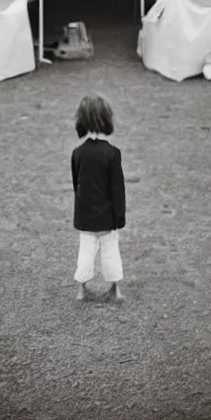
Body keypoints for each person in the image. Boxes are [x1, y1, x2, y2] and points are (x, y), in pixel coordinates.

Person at [71, 95, 126, 301]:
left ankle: (81, 289)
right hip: (107, 217)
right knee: (111, 251)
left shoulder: (78, 153)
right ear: (106, 119)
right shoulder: (112, 153)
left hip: (86, 216)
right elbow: (117, 189)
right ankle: (116, 288)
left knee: (85, 252)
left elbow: (76, 184)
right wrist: (119, 218)